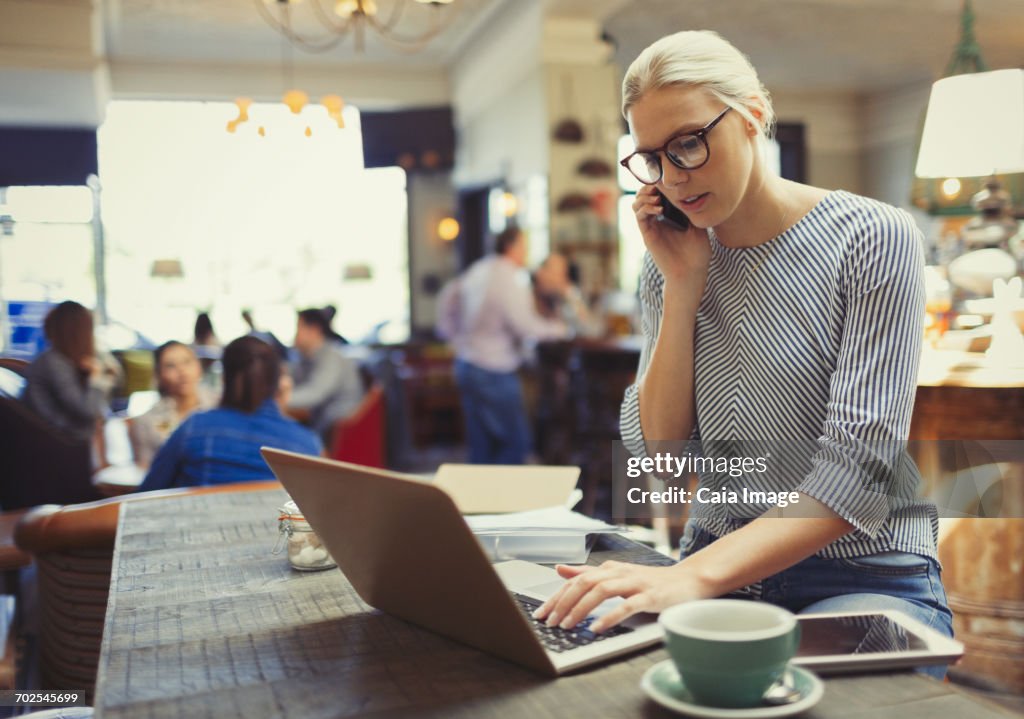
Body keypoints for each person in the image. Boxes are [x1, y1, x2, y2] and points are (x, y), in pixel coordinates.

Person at [532, 30, 953, 679]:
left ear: (754, 112)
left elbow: (854, 476)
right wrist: (682, 284)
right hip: (717, 570)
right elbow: (662, 466)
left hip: (862, 575)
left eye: (689, 143)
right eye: (652, 157)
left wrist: (691, 577)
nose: (675, 176)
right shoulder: (670, 264)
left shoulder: (873, 238)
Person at [437, 226, 569, 464]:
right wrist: (558, 330)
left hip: (467, 363)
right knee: (516, 444)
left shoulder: (479, 269)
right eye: (524, 246)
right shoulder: (508, 277)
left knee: (481, 447)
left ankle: (479, 501)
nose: (526, 252)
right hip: (493, 368)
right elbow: (524, 325)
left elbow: (448, 299)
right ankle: (503, 500)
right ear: (513, 246)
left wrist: (455, 337)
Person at [139, 336, 320, 491]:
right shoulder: (307, 445)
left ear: (224, 378)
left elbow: (148, 493)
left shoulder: (193, 428)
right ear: (277, 383)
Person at [22, 301, 117, 445]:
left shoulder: (62, 358)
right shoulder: (54, 362)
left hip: (62, 438)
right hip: (57, 442)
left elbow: (115, 374)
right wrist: (96, 377)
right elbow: (90, 410)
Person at [128, 341, 217, 468]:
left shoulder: (221, 406)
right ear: (159, 375)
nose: (182, 372)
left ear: (199, 367)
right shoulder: (145, 422)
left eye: (187, 362)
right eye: (170, 366)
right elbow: (145, 470)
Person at [287, 307, 364, 444]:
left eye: (298, 327)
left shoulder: (331, 356)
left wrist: (278, 399)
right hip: (323, 424)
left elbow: (315, 393)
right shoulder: (307, 356)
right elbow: (293, 375)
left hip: (338, 430)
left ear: (314, 330)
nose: (294, 335)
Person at [533, 252, 601, 337]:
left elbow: (590, 330)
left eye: (563, 275)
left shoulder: (559, 300)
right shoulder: (528, 298)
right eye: (556, 274)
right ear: (540, 273)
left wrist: (571, 295)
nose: (562, 281)